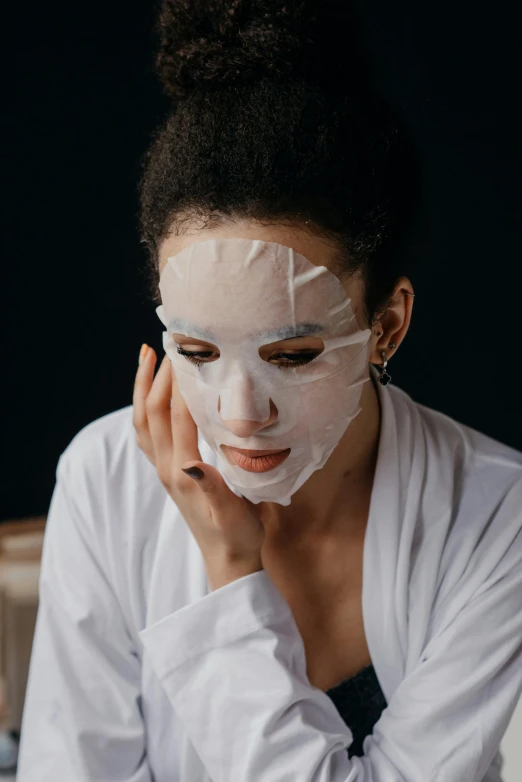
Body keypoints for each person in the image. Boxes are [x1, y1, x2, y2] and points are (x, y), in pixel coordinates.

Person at [16, 1, 522, 780]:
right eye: (196, 350)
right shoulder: (106, 481)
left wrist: (230, 572)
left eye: (292, 353)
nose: (238, 414)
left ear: (388, 325)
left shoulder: (496, 519)